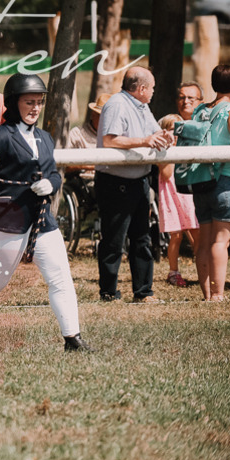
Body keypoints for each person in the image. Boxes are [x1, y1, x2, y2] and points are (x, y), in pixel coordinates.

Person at [0, 73, 90, 353]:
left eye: (39, 102)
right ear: (14, 103)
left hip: (43, 221)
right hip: (7, 223)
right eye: (29, 102)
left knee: (60, 277)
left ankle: (72, 339)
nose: (36, 108)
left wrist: (52, 184)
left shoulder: (45, 138)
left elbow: (53, 173)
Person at [95, 67, 172, 303]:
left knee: (142, 239)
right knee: (113, 240)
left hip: (139, 181)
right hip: (115, 182)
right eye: (152, 88)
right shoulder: (117, 105)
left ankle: (143, 292)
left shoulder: (142, 106)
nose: (154, 92)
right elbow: (110, 140)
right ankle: (109, 293)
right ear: (141, 89)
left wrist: (165, 136)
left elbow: (154, 132)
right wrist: (145, 141)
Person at [191, 64, 230, 302]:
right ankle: (218, 295)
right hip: (227, 181)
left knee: (204, 242)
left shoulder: (200, 110)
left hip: (201, 181)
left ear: (213, 85)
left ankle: (207, 294)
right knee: (221, 241)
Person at [156, 114, 198, 287]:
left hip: (187, 196)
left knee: (196, 232)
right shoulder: (164, 152)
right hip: (171, 196)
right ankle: (173, 271)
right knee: (176, 235)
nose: (176, 134)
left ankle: (204, 267)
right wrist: (171, 149)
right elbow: (166, 174)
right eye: (172, 130)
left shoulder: (187, 148)